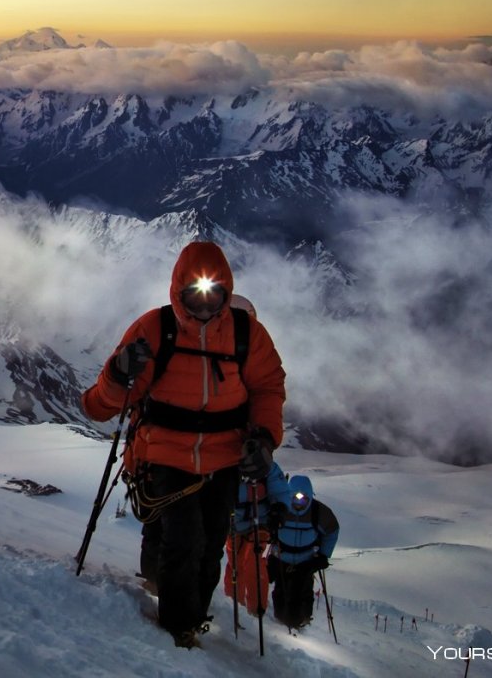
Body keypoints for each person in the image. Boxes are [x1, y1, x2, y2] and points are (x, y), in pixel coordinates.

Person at [80, 241, 287, 648]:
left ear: (227, 293)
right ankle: (180, 628)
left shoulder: (248, 334)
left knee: (211, 545)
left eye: (215, 296)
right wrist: (118, 374)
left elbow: (267, 388)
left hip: (225, 457)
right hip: (165, 451)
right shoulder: (154, 329)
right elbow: (105, 403)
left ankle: (189, 616)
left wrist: (263, 437)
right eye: (196, 296)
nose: (205, 307)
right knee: (185, 537)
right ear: (179, 292)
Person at [268, 474, 340, 630]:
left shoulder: (318, 512)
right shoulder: (280, 508)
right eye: (295, 497)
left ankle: (299, 622)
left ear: (310, 497)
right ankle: (280, 623)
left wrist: (323, 555)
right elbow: (265, 522)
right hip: (281, 557)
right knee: (281, 590)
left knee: (302, 591)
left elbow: (332, 530)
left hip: (306, 560)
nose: (298, 503)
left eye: (303, 499)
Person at [223, 460, 290, 618]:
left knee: (254, 560)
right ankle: (234, 604)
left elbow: (280, 492)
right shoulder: (263, 464)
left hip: (260, 523)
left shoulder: (267, 466)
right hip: (234, 525)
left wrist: (279, 510)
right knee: (235, 563)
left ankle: (255, 609)